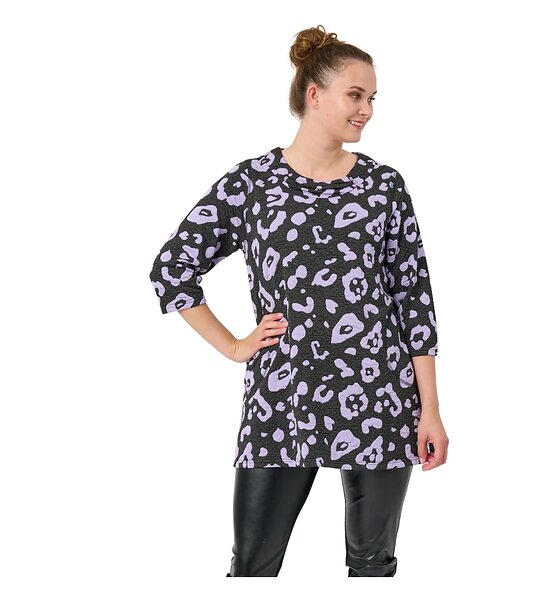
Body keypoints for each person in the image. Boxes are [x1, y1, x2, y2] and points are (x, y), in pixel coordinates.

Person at [148, 24, 449, 577]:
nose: (367, 110)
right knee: (253, 567)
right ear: (315, 94)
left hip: (380, 397)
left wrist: (429, 409)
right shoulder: (253, 184)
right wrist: (235, 346)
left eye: (372, 98)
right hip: (281, 400)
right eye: (355, 95)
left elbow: (414, 301)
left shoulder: (384, 187)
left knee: (372, 566)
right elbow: (172, 268)